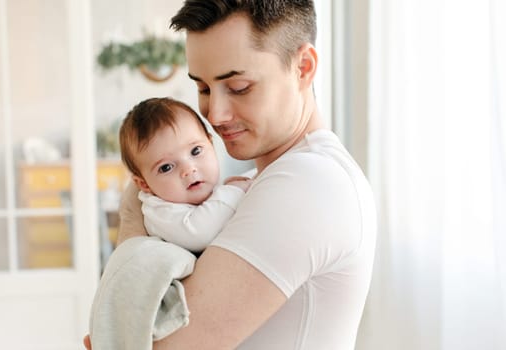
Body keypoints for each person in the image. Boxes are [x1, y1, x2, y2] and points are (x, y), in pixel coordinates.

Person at [85, 1, 376, 349]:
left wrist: (134, 217)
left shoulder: (307, 183)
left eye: (238, 87)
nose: (215, 114)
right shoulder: (262, 182)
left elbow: (159, 346)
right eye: (204, 89)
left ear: (303, 67)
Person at [119, 97, 252, 253]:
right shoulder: (159, 211)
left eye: (195, 151)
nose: (188, 170)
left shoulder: (212, 191)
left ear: (211, 144)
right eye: (166, 167)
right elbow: (199, 233)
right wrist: (233, 191)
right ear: (144, 185)